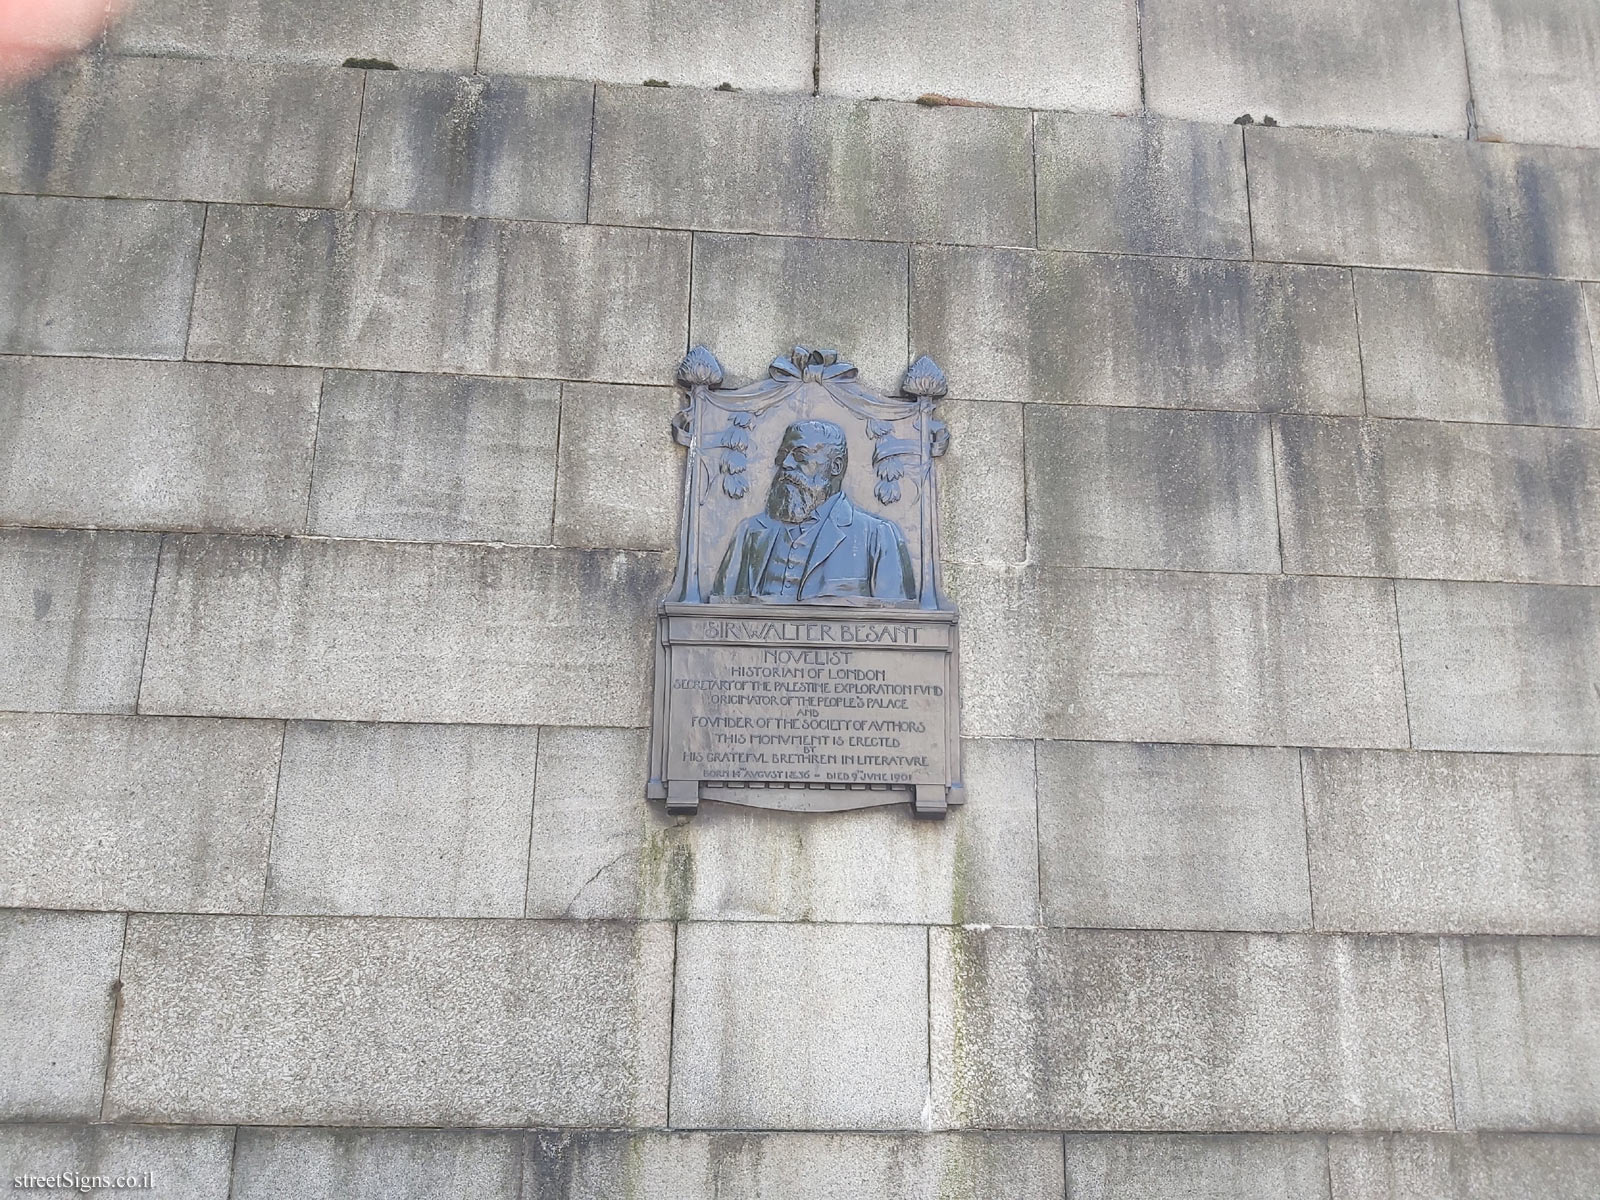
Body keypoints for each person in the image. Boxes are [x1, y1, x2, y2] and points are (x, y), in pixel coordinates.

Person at [712, 419, 915, 603]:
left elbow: (897, 624)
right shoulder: (750, 533)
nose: (785, 464)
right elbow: (718, 618)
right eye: (783, 455)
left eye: (800, 455)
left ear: (834, 466)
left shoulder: (877, 535)